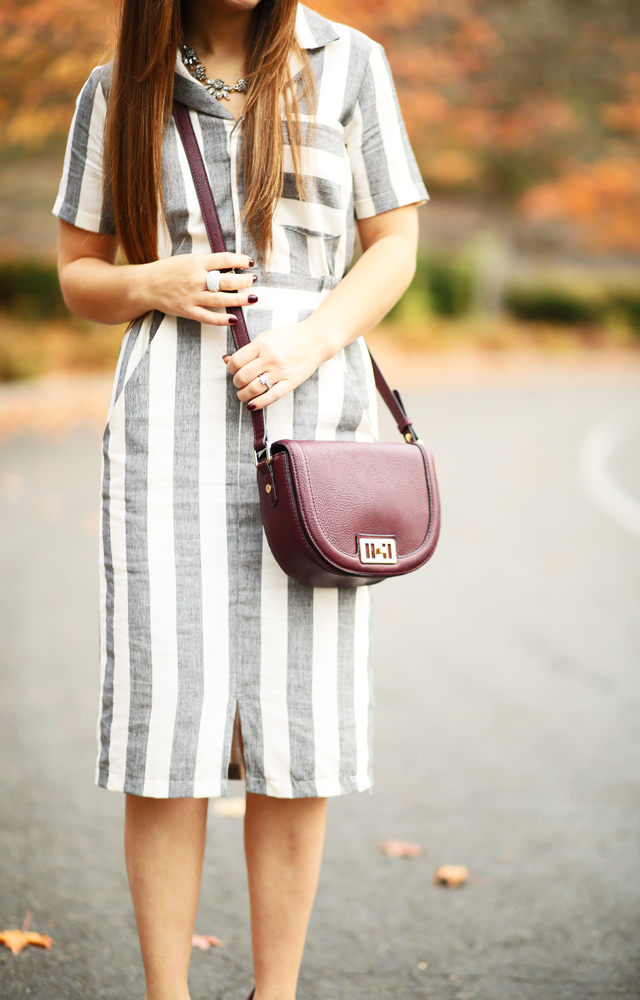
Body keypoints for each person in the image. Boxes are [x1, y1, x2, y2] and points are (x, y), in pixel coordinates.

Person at [54, 1, 427, 997]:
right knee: (168, 723)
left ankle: (277, 991)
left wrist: (308, 342)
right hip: (164, 429)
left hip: (313, 426)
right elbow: (77, 276)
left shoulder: (350, 65)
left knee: (295, 723)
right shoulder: (116, 86)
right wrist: (153, 282)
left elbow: (394, 243)